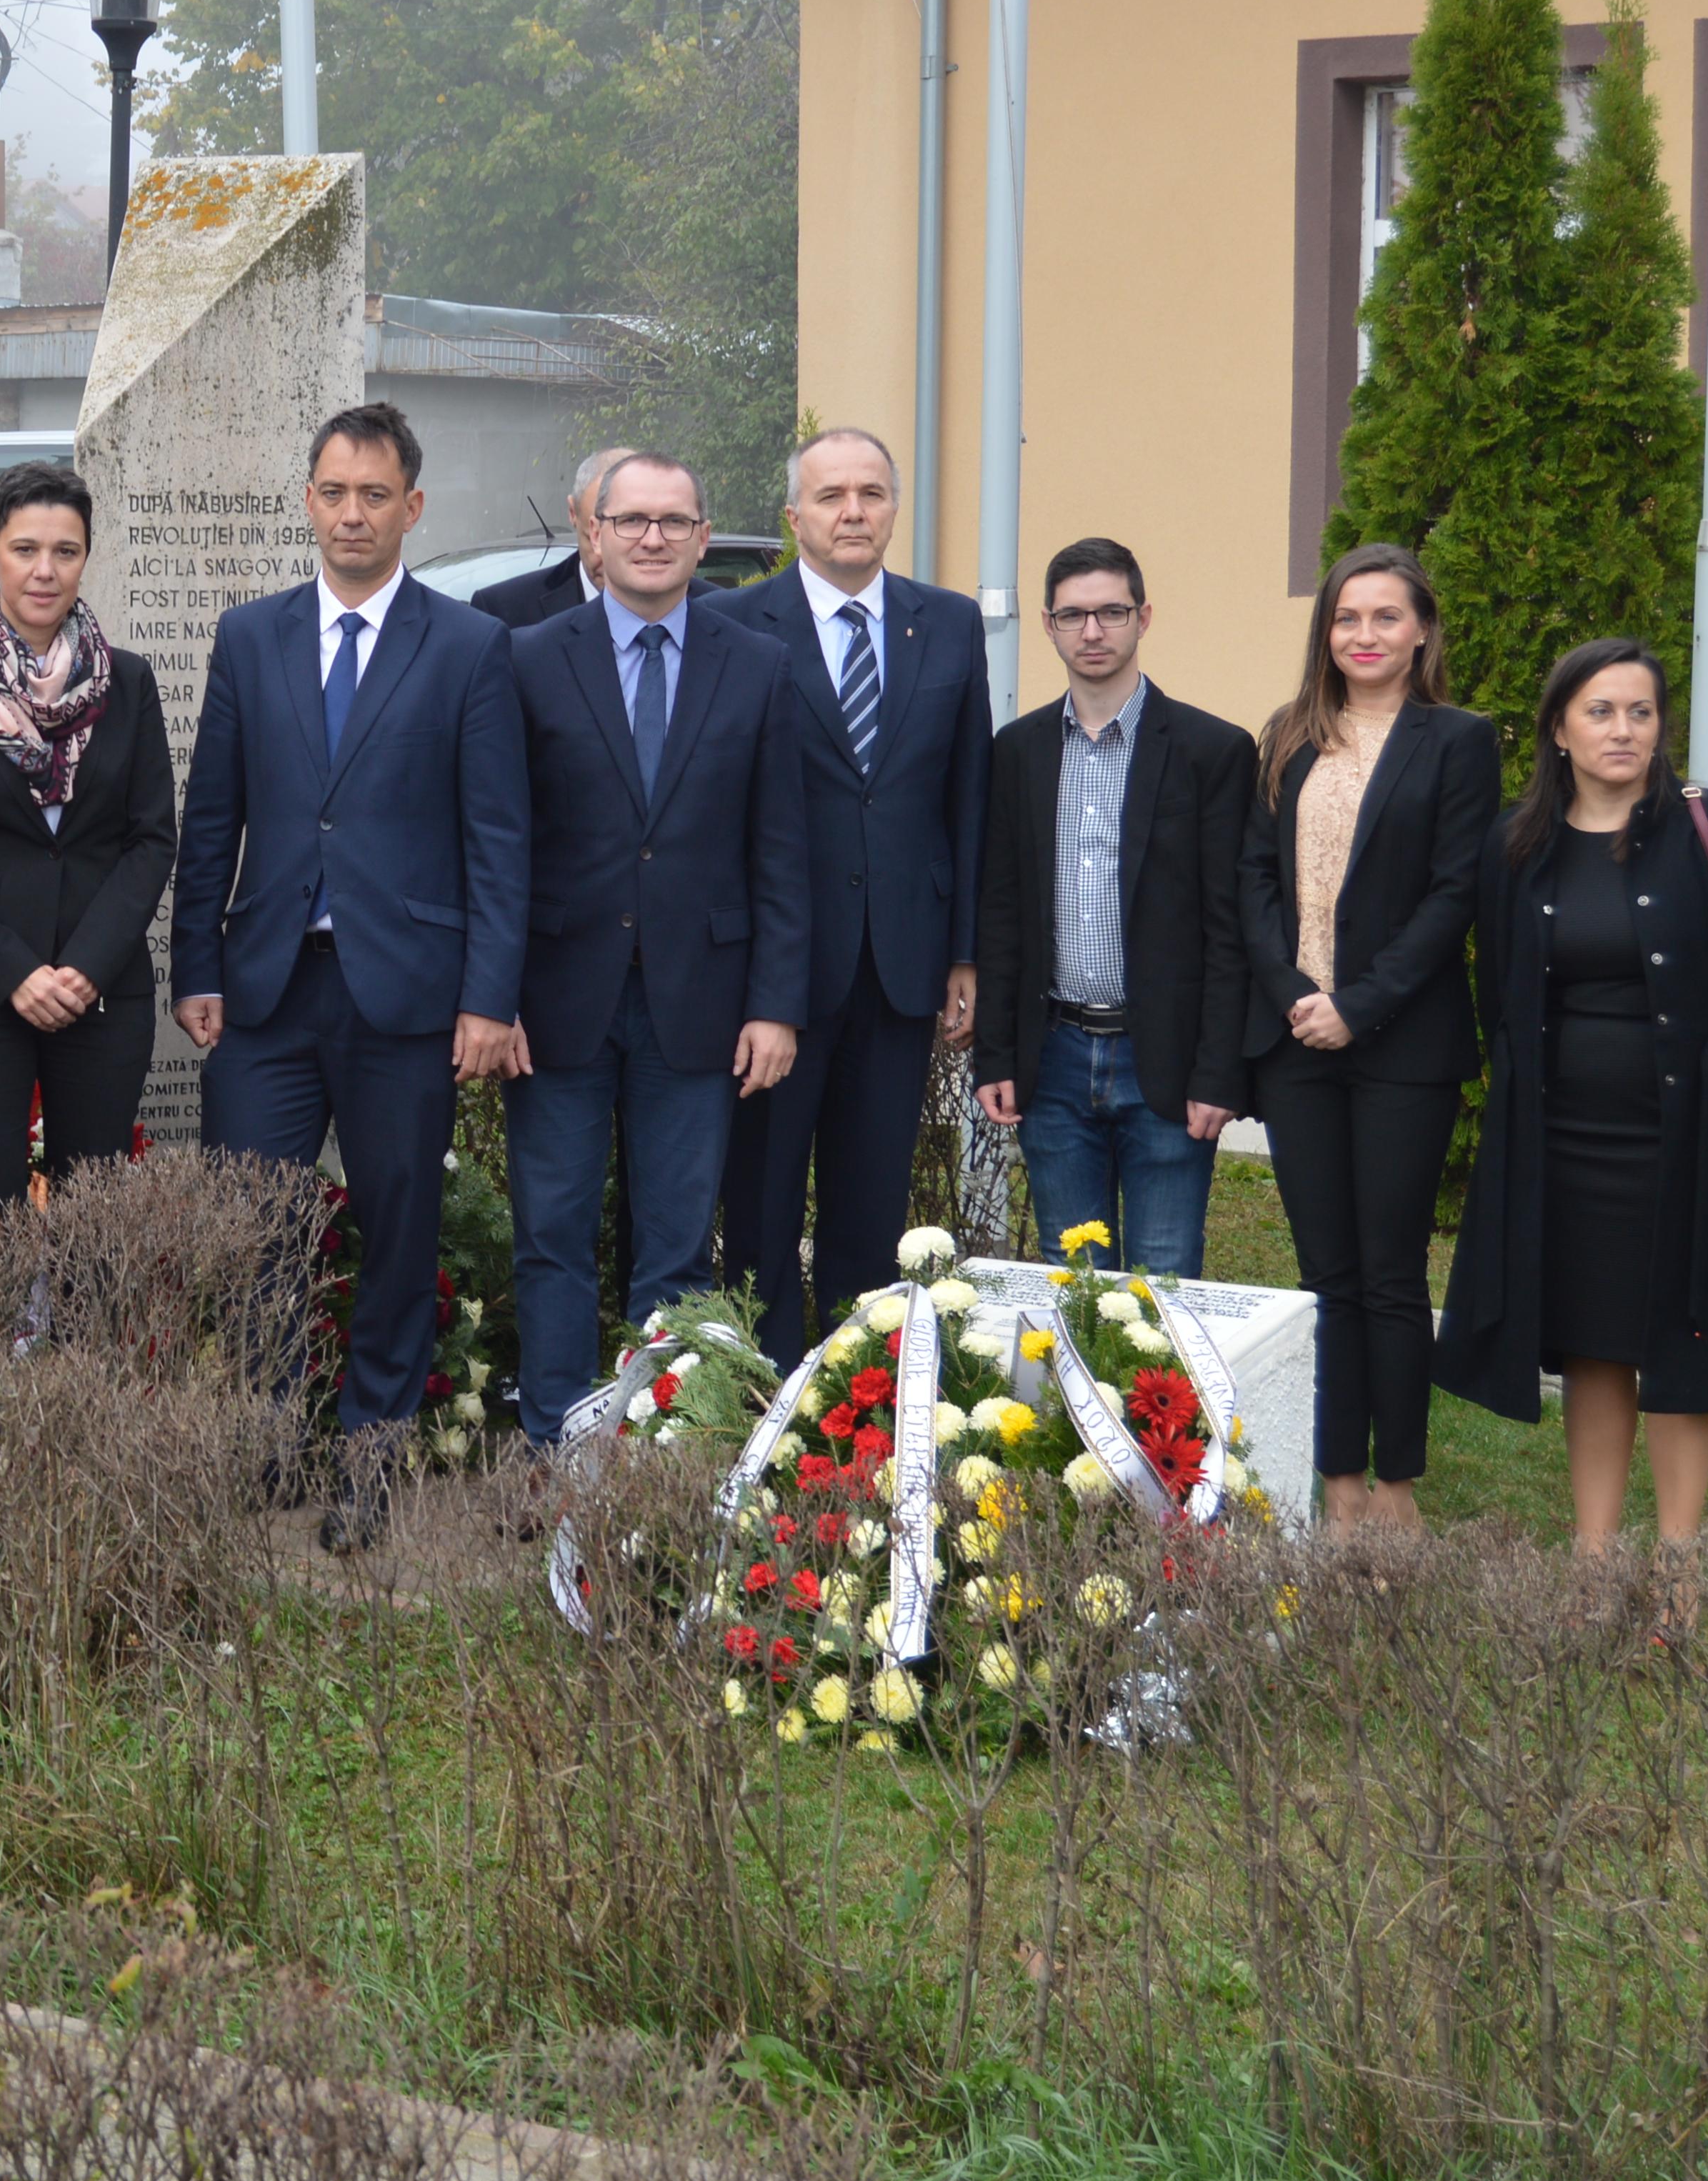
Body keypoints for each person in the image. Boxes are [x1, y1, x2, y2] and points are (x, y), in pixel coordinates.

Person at [171, 401, 529, 1548]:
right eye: (334, 491)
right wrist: (196, 965)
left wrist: (487, 996)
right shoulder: (249, 636)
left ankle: (370, 1455)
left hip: (409, 996)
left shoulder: (470, 647)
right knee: (257, 1225)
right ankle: (275, 1438)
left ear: (412, 507)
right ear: (308, 500)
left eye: (376, 495)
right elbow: (211, 815)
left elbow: (498, 838)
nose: (353, 513)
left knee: (398, 1223)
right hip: (267, 988)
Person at [1437, 639, 1708, 1559]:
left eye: (1639, 712)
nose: (1622, 730)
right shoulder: (1515, 844)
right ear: (1558, 730)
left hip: (1691, 1132)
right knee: (1593, 1343)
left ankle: (1678, 1567)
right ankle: (1593, 1562)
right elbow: (1501, 997)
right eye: (1600, 712)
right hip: (1564, 1138)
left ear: (1660, 728)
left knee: (1685, 1338)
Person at [495, 451, 805, 1448]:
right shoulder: (530, 656)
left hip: (702, 1002)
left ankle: (648, 1457)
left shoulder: (755, 663)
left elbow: (780, 847)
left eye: (675, 521)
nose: (653, 537)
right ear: (596, 534)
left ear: (704, 537)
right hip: (554, 1003)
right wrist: (492, 998)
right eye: (632, 520)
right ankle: (553, 1445)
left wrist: (775, 1004)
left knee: (676, 1250)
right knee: (552, 1238)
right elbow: (501, 841)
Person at [701, 429, 989, 1361]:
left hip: (901, 968)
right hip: (775, 978)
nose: (853, 511)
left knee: (872, 1217)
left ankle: (855, 1407)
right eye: (831, 496)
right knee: (762, 1210)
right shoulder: (736, 625)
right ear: (794, 517)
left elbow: (968, 794)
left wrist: (964, 952)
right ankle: (766, 1404)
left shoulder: (945, 623)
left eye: (871, 493)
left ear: (894, 508)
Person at [1241, 544, 1497, 1534]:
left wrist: (1362, 1002)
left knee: (1390, 1276)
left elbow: (1454, 896)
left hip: (1402, 1045)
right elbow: (1253, 881)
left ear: (1422, 630)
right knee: (1324, 1275)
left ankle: (1397, 1491)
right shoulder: (1290, 735)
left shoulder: (1458, 741)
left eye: (1386, 618)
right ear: (1327, 633)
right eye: (1348, 619)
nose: (1365, 636)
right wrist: (1296, 993)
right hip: (1298, 1041)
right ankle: (1337, 1484)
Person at [972, 538, 1255, 1280]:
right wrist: (996, 1053)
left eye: (1110, 612)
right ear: (1047, 625)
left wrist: (1217, 1072)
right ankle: (1075, 1404)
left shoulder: (1210, 750)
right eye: (1073, 615)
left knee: (1162, 1281)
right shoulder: (1017, 751)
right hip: (1054, 1058)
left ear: (1143, 617)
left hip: (1161, 1058)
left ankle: (1157, 1405)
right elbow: (1001, 912)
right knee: (1072, 1280)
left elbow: (1229, 928)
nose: (1092, 631)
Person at [0, 459, 176, 1208]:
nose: (44, 570)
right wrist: (15, 972)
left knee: (95, 1207)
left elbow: (150, 839)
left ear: (87, 557)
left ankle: (85, 1334)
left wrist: (85, 965)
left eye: (65, 550)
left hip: (101, 986)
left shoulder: (131, 682)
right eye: (24, 549)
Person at [473, 446, 629, 629]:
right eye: (595, 538)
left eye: (626, 538)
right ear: (573, 512)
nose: (609, 557)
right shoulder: (504, 612)